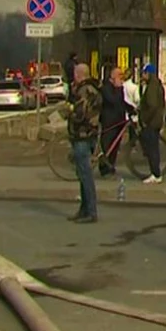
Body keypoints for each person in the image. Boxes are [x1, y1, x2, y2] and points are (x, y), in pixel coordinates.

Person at [64, 63, 102, 224]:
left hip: (82, 135)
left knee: (85, 175)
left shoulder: (84, 90)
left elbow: (80, 114)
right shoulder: (92, 88)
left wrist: (69, 110)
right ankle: (84, 209)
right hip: (87, 134)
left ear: (79, 74)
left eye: (74, 73)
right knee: (82, 174)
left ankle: (90, 211)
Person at [98, 66, 133, 177]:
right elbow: (112, 101)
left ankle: (111, 165)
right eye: (119, 75)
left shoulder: (119, 88)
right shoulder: (106, 87)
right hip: (109, 121)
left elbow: (121, 102)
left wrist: (131, 109)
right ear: (112, 76)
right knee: (107, 144)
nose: (121, 78)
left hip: (119, 120)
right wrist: (118, 88)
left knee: (115, 145)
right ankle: (104, 168)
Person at [137, 64, 166, 184]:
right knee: (153, 148)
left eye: (143, 73)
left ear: (148, 73)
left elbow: (152, 105)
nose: (142, 75)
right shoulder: (156, 85)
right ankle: (155, 173)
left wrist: (144, 118)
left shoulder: (152, 87)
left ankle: (156, 174)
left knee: (152, 149)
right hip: (156, 121)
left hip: (151, 122)